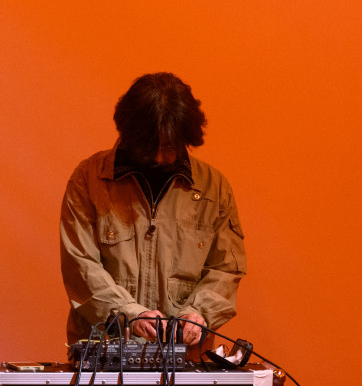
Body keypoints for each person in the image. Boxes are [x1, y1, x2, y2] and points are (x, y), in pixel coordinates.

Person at [60, 72, 245, 349]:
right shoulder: (88, 180)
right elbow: (80, 264)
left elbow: (225, 269)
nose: (160, 157)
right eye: (150, 146)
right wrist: (129, 313)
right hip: (106, 355)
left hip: (188, 357)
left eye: (170, 146)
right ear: (130, 133)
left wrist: (198, 314)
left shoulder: (214, 188)